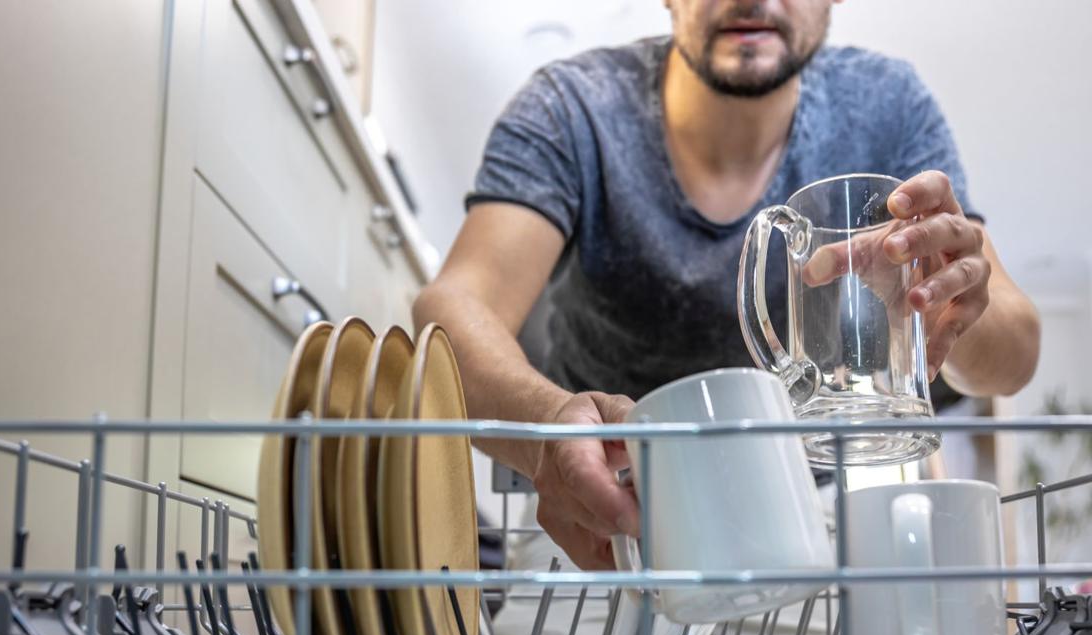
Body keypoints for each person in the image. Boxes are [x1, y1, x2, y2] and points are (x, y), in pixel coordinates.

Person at [413, 0, 1040, 572]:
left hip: (799, 519)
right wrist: (549, 429)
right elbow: (454, 306)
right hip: (595, 522)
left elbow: (1013, 356)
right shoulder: (571, 105)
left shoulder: (890, 107)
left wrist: (955, 306)